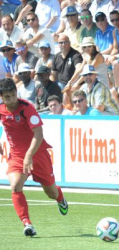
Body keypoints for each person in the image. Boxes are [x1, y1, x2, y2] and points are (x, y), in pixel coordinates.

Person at [0, 78, 68, 237]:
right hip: (16, 155)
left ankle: (60, 198)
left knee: (50, 192)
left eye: (12, 96)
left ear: (16, 94)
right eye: (6, 97)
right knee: (16, 186)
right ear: (2, 97)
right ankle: (27, 223)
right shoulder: (1, 109)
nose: (10, 100)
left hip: (37, 153)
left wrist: (29, 155)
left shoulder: (27, 108)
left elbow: (38, 134)